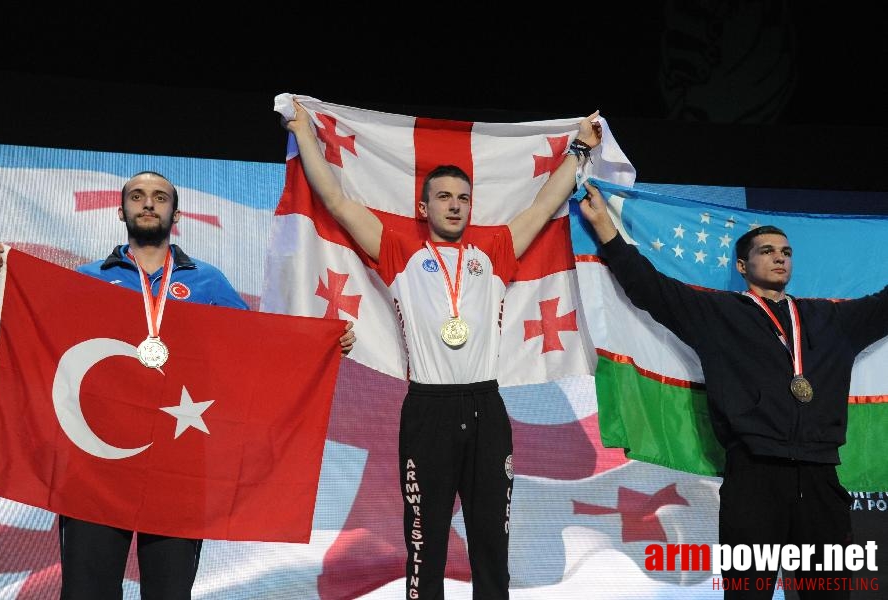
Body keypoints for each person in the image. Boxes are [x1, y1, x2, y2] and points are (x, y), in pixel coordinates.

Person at [284, 100, 601, 599]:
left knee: (491, 543)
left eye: (463, 198)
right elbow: (340, 204)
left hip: (485, 409)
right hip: (427, 410)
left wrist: (580, 148)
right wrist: (304, 132)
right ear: (423, 207)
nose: (455, 205)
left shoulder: (493, 253)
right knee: (424, 542)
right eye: (444, 197)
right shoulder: (399, 253)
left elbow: (542, 206)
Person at [0, 170, 355, 599]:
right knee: (87, 591)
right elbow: (36, 326)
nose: (148, 203)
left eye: (159, 197)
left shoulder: (208, 282)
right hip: (94, 460)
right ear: (120, 209)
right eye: (138, 196)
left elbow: (255, 348)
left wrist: (320, 347)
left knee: (169, 593)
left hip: (179, 463)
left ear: (175, 213)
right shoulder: (87, 279)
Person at [578, 184, 888, 599]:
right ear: (742, 265)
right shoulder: (718, 315)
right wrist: (605, 229)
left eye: (786, 251)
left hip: (820, 479)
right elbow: (652, 288)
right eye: (767, 250)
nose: (780, 256)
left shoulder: (830, 320)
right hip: (753, 478)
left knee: (829, 594)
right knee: (748, 592)